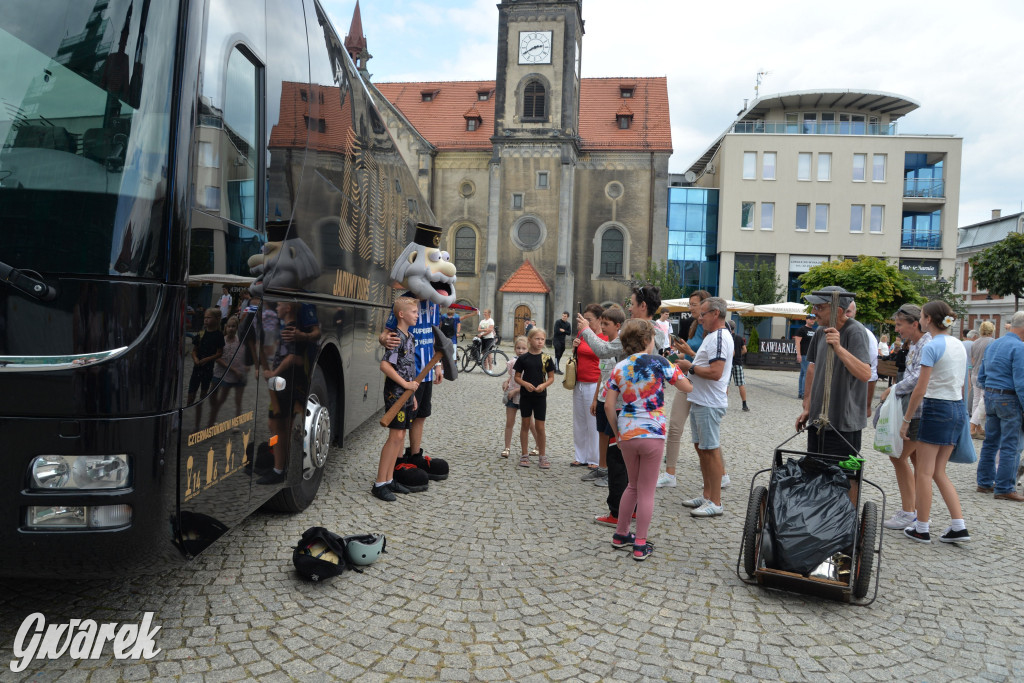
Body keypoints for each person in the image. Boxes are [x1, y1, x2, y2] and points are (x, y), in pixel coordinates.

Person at [578, 285, 667, 523]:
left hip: (624, 406)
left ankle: (617, 513)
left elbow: (604, 350)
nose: (628, 307)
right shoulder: (660, 331)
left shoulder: (634, 331)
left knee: (618, 462)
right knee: (637, 468)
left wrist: (586, 330)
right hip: (651, 410)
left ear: (643, 306)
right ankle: (634, 511)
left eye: (632, 302)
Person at [605, 319, 692, 561]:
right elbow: (686, 387)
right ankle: (641, 544)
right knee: (647, 491)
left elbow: (609, 405)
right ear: (646, 341)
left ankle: (621, 534)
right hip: (652, 432)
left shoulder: (619, 367)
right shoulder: (660, 362)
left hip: (628, 431)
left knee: (632, 486)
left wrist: (619, 433)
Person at [900, 301, 972, 542]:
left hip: (935, 408)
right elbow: (964, 382)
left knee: (924, 471)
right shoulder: (959, 345)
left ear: (928, 319)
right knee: (939, 472)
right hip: (957, 407)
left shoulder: (932, 346)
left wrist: (907, 419)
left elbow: (920, 389)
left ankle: (922, 527)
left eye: (921, 316)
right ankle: (958, 525)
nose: (919, 320)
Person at [795, 286, 871, 458]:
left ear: (838, 310)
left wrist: (838, 347)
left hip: (843, 422)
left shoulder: (855, 331)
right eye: (814, 307)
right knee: (816, 473)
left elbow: (865, 374)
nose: (814, 312)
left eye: (819, 308)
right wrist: (808, 406)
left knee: (844, 476)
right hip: (818, 419)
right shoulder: (821, 331)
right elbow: (812, 368)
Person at [677, 297, 734, 517]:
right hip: (701, 400)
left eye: (703, 314)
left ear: (715, 314)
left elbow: (716, 372)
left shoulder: (720, 337)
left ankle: (716, 502)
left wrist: (689, 367)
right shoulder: (714, 336)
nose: (700, 318)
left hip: (709, 402)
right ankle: (708, 495)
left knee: (710, 450)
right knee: (702, 449)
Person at [877, 304, 931, 530]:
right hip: (918, 408)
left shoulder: (925, 344)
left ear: (914, 323)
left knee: (897, 456)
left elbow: (918, 378)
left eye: (900, 325)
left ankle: (910, 512)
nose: (897, 329)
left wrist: (893, 388)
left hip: (919, 410)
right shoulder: (918, 343)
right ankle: (918, 512)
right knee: (916, 462)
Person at [660, 290, 710, 488]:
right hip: (686, 380)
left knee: (705, 434)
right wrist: (669, 359)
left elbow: (706, 359)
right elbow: (686, 357)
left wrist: (688, 351)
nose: (690, 308)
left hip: (703, 383)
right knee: (674, 426)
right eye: (689, 304)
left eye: (693, 304)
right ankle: (670, 474)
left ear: (705, 305)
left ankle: (721, 473)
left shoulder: (713, 330)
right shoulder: (694, 326)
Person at [373, 297, 421, 502]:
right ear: (401, 314)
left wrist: (413, 393)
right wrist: (406, 386)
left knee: (401, 437)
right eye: (413, 312)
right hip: (395, 394)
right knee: (394, 438)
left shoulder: (410, 337)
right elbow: (385, 366)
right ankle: (379, 483)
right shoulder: (396, 338)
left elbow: (409, 369)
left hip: (407, 395)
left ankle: (390, 479)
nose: (417, 315)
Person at [976, 311, 1024, 502]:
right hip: (1009, 398)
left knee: (990, 442)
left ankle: (985, 482)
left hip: (991, 396)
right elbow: (1021, 382)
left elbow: (981, 375)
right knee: (1010, 446)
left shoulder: (994, 344)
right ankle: (1004, 487)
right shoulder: (1019, 347)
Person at [585, 305, 625, 485]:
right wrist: (595, 398)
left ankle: (611, 471)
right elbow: (602, 374)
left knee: (612, 437)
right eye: (601, 323)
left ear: (618, 325)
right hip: (602, 396)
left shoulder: (620, 349)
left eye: (606, 324)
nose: (602, 327)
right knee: (601, 432)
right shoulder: (604, 345)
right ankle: (602, 468)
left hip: (615, 401)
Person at [514, 327, 556, 468]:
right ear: (530, 340)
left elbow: (551, 378)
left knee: (540, 427)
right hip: (526, 395)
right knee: (525, 424)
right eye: (537, 339)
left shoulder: (547, 358)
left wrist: (543, 386)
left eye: (542, 339)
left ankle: (542, 456)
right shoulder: (523, 358)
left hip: (540, 396)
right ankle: (524, 454)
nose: (540, 341)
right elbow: (517, 377)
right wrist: (525, 384)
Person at [571, 305, 606, 468]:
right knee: (579, 421)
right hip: (579, 381)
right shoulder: (582, 334)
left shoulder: (604, 338)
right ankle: (581, 455)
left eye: (589, 320)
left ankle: (594, 458)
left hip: (594, 382)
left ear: (600, 320)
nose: (585, 323)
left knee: (593, 422)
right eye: (584, 319)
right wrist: (574, 347)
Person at [501, 336, 539, 458]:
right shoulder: (512, 362)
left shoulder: (529, 363)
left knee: (530, 423)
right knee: (509, 423)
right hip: (512, 396)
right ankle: (507, 447)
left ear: (528, 348)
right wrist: (507, 382)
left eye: (523, 348)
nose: (521, 351)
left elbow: (529, 382)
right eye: (518, 348)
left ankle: (538, 445)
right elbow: (513, 376)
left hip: (524, 396)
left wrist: (517, 390)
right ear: (514, 349)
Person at [187, 308, 225, 430]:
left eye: (209, 318)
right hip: (196, 368)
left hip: (208, 369)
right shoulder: (201, 333)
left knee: (203, 395)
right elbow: (194, 350)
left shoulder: (219, 335)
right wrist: (195, 359)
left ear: (216, 319)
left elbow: (219, 353)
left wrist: (207, 359)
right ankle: (187, 418)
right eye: (205, 318)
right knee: (191, 394)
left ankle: (198, 422)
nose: (206, 320)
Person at [209, 315, 248, 426]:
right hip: (222, 374)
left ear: (236, 328)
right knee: (218, 399)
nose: (231, 328)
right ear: (225, 327)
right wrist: (233, 369)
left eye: (233, 326)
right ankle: (212, 420)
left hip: (236, 375)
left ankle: (236, 423)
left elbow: (244, 356)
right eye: (229, 326)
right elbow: (217, 358)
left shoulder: (240, 342)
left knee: (236, 400)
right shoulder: (221, 341)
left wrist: (245, 366)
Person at [845, 300, 879, 418]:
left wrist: (867, 406)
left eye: (848, 311)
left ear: (855, 312)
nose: (845, 314)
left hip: (854, 396)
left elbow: (872, 372)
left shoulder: (867, 335)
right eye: (842, 310)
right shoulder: (825, 332)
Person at [969, 321, 996, 438]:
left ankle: (977, 428)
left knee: (976, 401)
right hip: (985, 374)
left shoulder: (975, 342)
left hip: (974, 373)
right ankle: (972, 426)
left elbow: (973, 359)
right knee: (983, 401)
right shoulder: (992, 342)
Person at [793, 314, 817, 399]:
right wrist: (798, 354)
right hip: (804, 354)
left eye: (813, 319)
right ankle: (804, 394)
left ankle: (801, 392)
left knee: (803, 373)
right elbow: (797, 342)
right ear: (806, 320)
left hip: (811, 355)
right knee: (807, 373)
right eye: (810, 319)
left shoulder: (814, 330)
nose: (812, 320)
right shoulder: (801, 330)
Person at [727, 320, 749, 411]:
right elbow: (745, 350)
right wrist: (739, 354)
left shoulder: (727, 337)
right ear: (734, 328)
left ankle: (723, 404)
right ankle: (744, 404)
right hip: (738, 363)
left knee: (725, 385)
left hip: (728, 364)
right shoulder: (739, 338)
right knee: (741, 384)